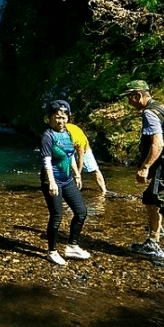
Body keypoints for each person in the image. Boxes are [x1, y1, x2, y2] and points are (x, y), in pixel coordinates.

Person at [123, 80, 164, 270]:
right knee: (150, 198)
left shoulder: (149, 113)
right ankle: (153, 241)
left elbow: (157, 144)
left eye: (130, 98)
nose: (129, 102)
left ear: (138, 96)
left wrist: (145, 167)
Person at [39, 100, 90, 266]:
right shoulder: (48, 136)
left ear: (68, 118)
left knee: (81, 211)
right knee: (56, 216)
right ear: (50, 118)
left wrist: (77, 175)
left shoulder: (68, 132)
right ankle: (52, 251)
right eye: (57, 117)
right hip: (52, 180)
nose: (60, 121)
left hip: (67, 179)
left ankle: (72, 246)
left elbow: (70, 156)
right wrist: (52, 183)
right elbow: (47, 161)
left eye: (63, 117)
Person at [66, 120, 108, 194]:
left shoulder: (78, 139)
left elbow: (81, 157)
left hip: (84, 149)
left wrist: (78, 174)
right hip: (66, 148)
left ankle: (104, 191)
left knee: (95, 170)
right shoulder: (58, 134)